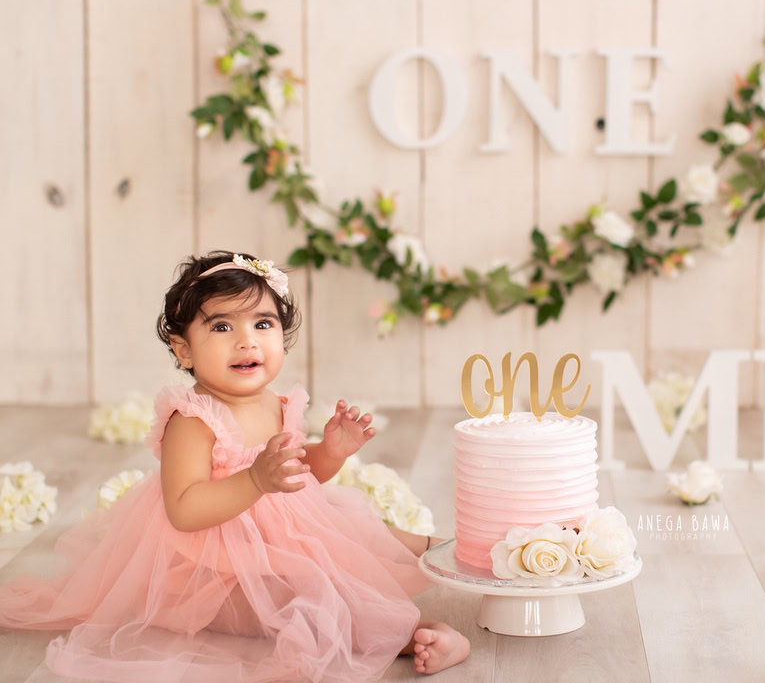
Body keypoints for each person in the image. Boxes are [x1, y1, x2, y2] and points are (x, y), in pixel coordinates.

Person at [0, 251, 470, 680]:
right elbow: (184, 509)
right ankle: (416, 635)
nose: (246, 342)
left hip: (286, 535)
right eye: (223, 327)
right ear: (184, 350)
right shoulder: (194, 420)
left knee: (377, 535)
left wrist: (329, 452)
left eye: (262, 325)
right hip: (212, 568)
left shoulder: (277, 403)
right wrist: (253, 479)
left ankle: (460, 553)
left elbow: (297, 478)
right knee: (307, 596)